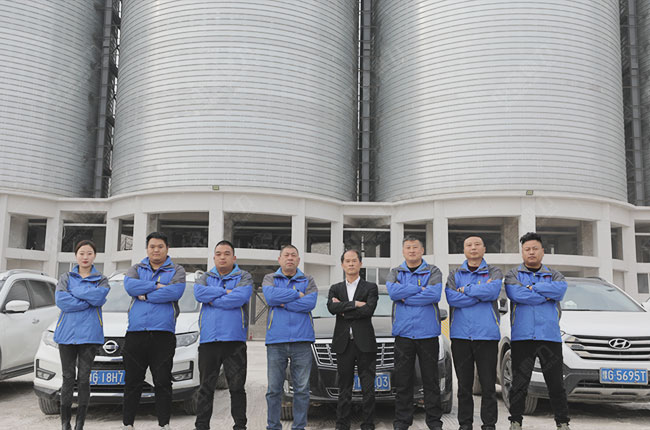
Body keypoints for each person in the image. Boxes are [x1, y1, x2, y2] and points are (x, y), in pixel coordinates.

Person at [505, 232, 570, 430]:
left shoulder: (555, 275)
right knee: (519, 383)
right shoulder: (512, 275)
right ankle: (515, 421)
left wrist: (532, 287)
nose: (531, 252)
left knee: (556, 384)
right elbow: (517, 294)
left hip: (549, 337)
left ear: (542, 251)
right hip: (522, 336)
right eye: (527, 249)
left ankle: (562, 422)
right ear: (522, 252)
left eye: (535, 248)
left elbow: (559, 291)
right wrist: (545, 293)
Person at [121, 232, 186, 430]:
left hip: (163, 334)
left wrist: (146, 295)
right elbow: (129, 286)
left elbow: (174, 292)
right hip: (136, 333)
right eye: (152, 246)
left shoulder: (177, 270)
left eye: (160, 246)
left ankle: (164, 424)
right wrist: (156, 285)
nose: (156, 250)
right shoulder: (136, 268)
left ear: (167, 249)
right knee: (132, 381)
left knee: (163, 381)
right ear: (147, 249)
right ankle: (127, 424)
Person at [193, 240, 253, 430]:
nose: (222, 257)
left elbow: (240, 298)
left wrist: (213, 299)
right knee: (205, 387)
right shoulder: (205, 277)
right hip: (209, 340)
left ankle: (240, 426)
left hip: (234, 341)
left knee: (237, 387)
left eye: (227, 253)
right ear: (214, 257)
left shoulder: (244, 276)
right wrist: (224, 291)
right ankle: (201, 426)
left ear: (234, 257)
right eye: (218, 254)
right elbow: (199, 294)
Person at [445, 236, 503, 430]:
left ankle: (489, 425)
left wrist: (466, 290)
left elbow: (493, 292)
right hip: (461, 336)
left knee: (488, 385)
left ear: (484, 249)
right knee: (464, 386)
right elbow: (452, 299)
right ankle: (465, 424)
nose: (473, 248)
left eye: (477, 244)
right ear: (464, 250)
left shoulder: (494, 271)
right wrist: (479, 294)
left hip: (487, 336)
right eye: (469, 245)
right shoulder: (454, 274)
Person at [386, 236, 443, 430]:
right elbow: (393, 293)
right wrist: (419, 288)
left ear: (422, 250)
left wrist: (406, 296)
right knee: (403, 381)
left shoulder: (433, 271)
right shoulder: (395, 272)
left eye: (415, 247)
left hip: (428, 334)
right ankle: (402, 422)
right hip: (403, 335)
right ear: (403, 251)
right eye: (408, 247)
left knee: (431, 381)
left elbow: (434, 294)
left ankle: (434, 422)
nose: (412, 250)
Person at [54, 240, 110, 430]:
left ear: (95, 256)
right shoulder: (65, 277)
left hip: (90, 335)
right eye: (81, 253)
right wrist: (87, 300)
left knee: (84, 378)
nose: (85, 257)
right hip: (66, 334)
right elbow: (61, 300)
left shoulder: (102, 279)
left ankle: (80, 424)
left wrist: (76, 292)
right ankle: (65, 423)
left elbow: (99, 297)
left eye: (89, 253)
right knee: (68, 377)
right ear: (76, 256)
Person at [262, 244, 318, 430]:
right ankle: (273, 426)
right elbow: (270, 298)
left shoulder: (308, 279)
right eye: (286, 255)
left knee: (302, 389)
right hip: (276, 341)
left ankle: (299, 426)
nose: (290, 258)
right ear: (279, 259)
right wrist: (296, 294)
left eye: (293, 255)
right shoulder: (270, 278)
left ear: (298, 260)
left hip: (302, 341)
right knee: (274, 389)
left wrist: (283, 303)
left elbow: (309, 303)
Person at [327, 249, 379, 430]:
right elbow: (331, 308)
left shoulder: (370, 287)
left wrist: (343, 309)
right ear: (342, 265)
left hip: (365, 343)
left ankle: (368, 424)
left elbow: (369, 310)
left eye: (354, 260)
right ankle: (342, 424)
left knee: (368, 387)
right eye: (347, 261)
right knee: (344, 387)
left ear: (360, 264)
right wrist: (355, 304)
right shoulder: (335, 288)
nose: (351, 264)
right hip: (344, 344)